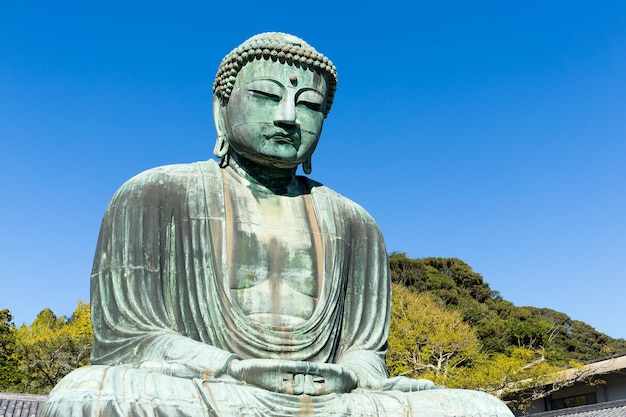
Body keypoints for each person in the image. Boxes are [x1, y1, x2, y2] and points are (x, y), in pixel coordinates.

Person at [42, 32, 513, 417]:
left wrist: (350, 373)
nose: (287, 117)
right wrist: (233, 369)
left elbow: (367, 352)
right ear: (221, 108)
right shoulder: (153, 194)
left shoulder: (354, 222)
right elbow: (130, 339)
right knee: (86, 396)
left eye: (308, 105)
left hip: (332, 400)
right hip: (214, 390)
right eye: (267, 96)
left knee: (482, 410)